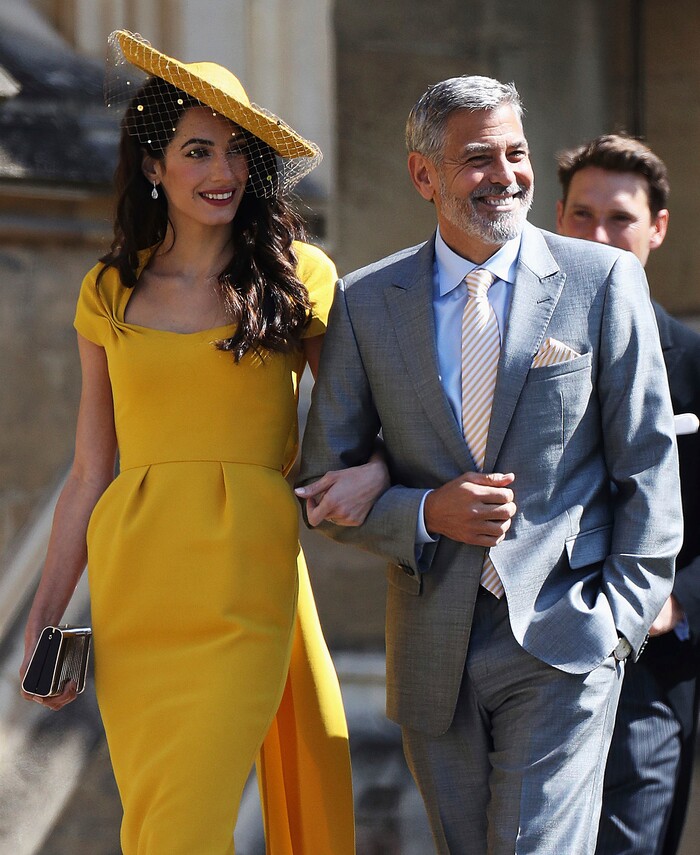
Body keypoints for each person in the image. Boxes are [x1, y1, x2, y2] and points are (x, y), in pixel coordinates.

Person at [18, 30, 388, 855]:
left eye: (235, 153)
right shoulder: (107, 289)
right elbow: (88, 471)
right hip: (135, 582)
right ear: (154, 166)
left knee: (185, 820)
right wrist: (47, 617)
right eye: (197, 151)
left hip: (246, 574)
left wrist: (378, 475)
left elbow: (361, 422)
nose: (222, 172)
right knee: (153, 820)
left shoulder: (301, 274)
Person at [296, 76, 683, 854]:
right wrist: (424, 513)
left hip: (567, 634)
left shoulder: (603, 281)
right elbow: (323, 486)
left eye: (517, 152)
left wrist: (620, 620)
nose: (506, 175)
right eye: (478, 158)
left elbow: (647, 457)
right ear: (423, 175)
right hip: (430, 649)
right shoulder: (366, 304)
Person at [557, 133, 700, 855]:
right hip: (532, 659)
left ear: (658, 229)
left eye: (619, 218)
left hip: (651, 668)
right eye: (582, 215)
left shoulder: (698, 363)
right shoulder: (510, 352)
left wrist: (679, 599)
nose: (600, 235)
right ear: (557, 220)